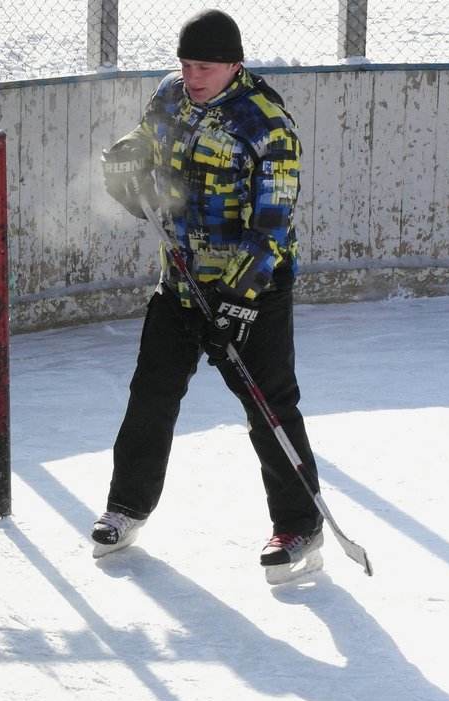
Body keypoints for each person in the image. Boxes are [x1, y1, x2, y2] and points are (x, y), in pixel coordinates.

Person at [94, 8, 325, 583]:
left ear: (234, 65)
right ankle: (127, 506)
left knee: (267, 407)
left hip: (254, 287)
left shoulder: (267, 124)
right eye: (186, 64)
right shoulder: (172, 95)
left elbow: (273, 225)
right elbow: (145, 143)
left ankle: (301, 527)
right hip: (181, 277)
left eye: (205, 67)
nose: (193, 76)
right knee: (152, 390)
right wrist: (125, 159)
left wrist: (241, 297)